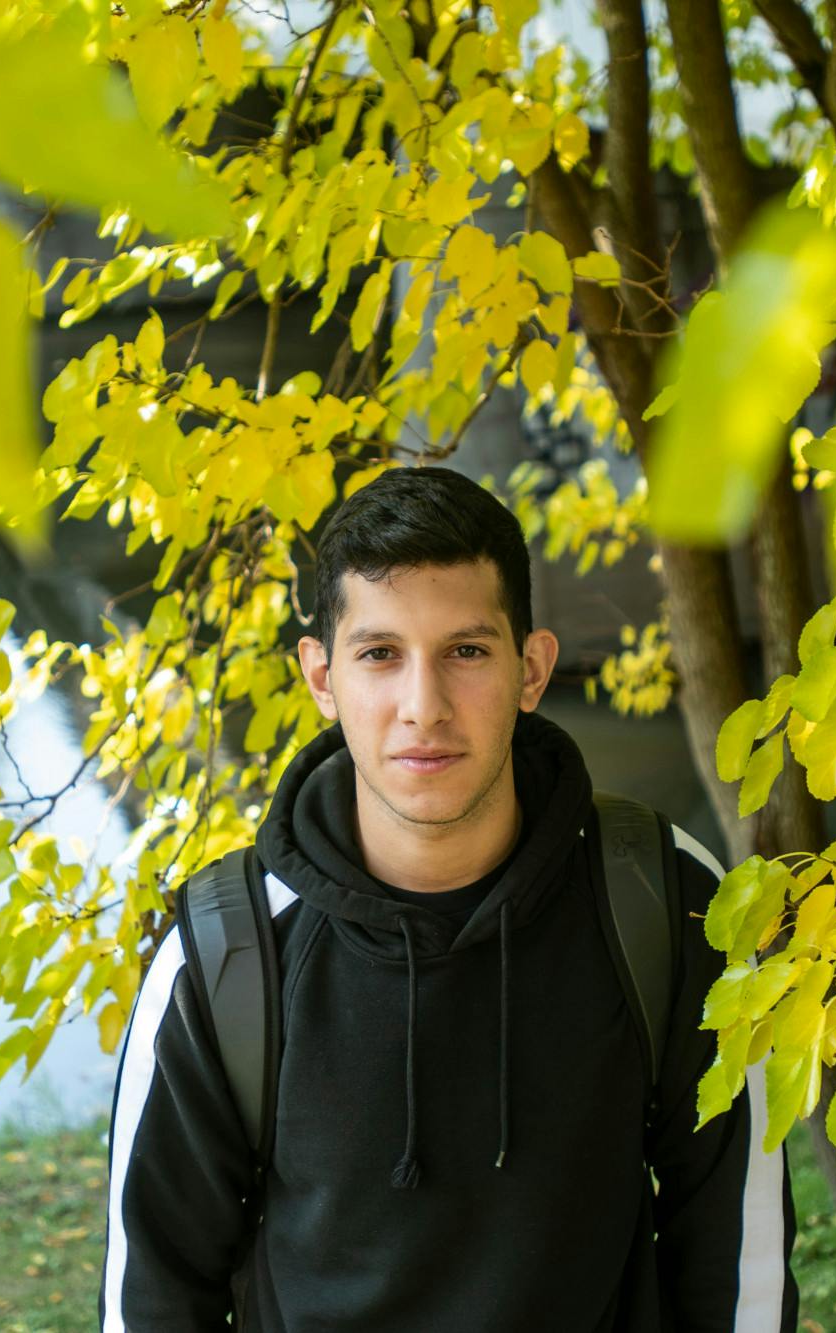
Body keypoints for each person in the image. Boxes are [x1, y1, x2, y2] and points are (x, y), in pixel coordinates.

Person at [99, 466, 798, 1331]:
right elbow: (156, 1296)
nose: (422, 707)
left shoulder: (662, 897)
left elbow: (735, 1252)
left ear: (531, 668)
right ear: (322, 678)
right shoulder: (227, 952)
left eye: (466, 651)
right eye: (380, 654)